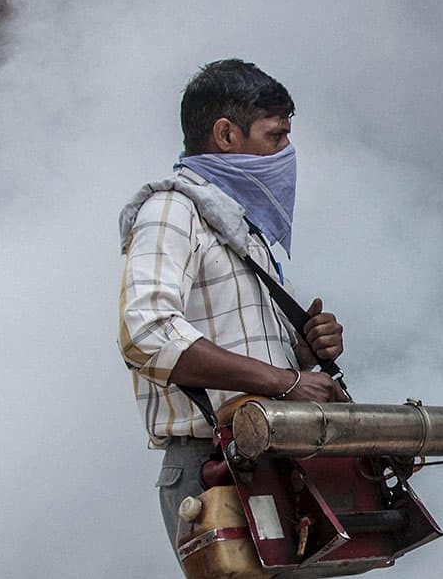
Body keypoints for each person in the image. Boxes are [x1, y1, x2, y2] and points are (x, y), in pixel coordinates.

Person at [117, 59, 348, 554]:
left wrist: (303, 353)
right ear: (225, 134)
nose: (286, 153)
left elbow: (245, 343)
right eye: (275, 136)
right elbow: (147, 333)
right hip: (215, 465)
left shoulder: (240, 229)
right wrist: (286, 381)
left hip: (272, 456)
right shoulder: (171, 210)